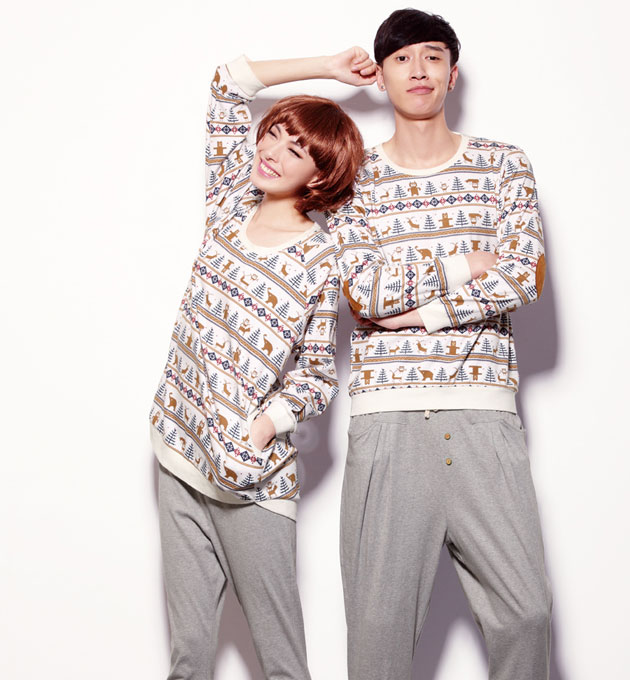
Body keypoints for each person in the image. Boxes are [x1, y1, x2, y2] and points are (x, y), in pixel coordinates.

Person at [327, 9, 552, 680]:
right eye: (401, 58)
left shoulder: (503, 164)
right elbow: (364, 293)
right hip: (388, 418)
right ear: (381, 76)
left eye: (432, 56)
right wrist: (466, 264)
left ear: (453, 75)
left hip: (485, 415)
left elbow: (526, 274)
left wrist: (423, 314)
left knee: (526, 616)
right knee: (378, 632)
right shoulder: (354, 177)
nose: (418, 69)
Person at [148, 48, 372, 679]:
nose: (271, 151)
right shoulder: (229, 202)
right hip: (179, 448)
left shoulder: (322, 257)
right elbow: (227, 82)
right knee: (189, 655)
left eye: (294, 150)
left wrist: (265, 427)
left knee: (281, 663)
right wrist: (328, 67)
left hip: (253, 478)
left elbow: (317, 375)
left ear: (320, 175)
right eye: (272, 133)